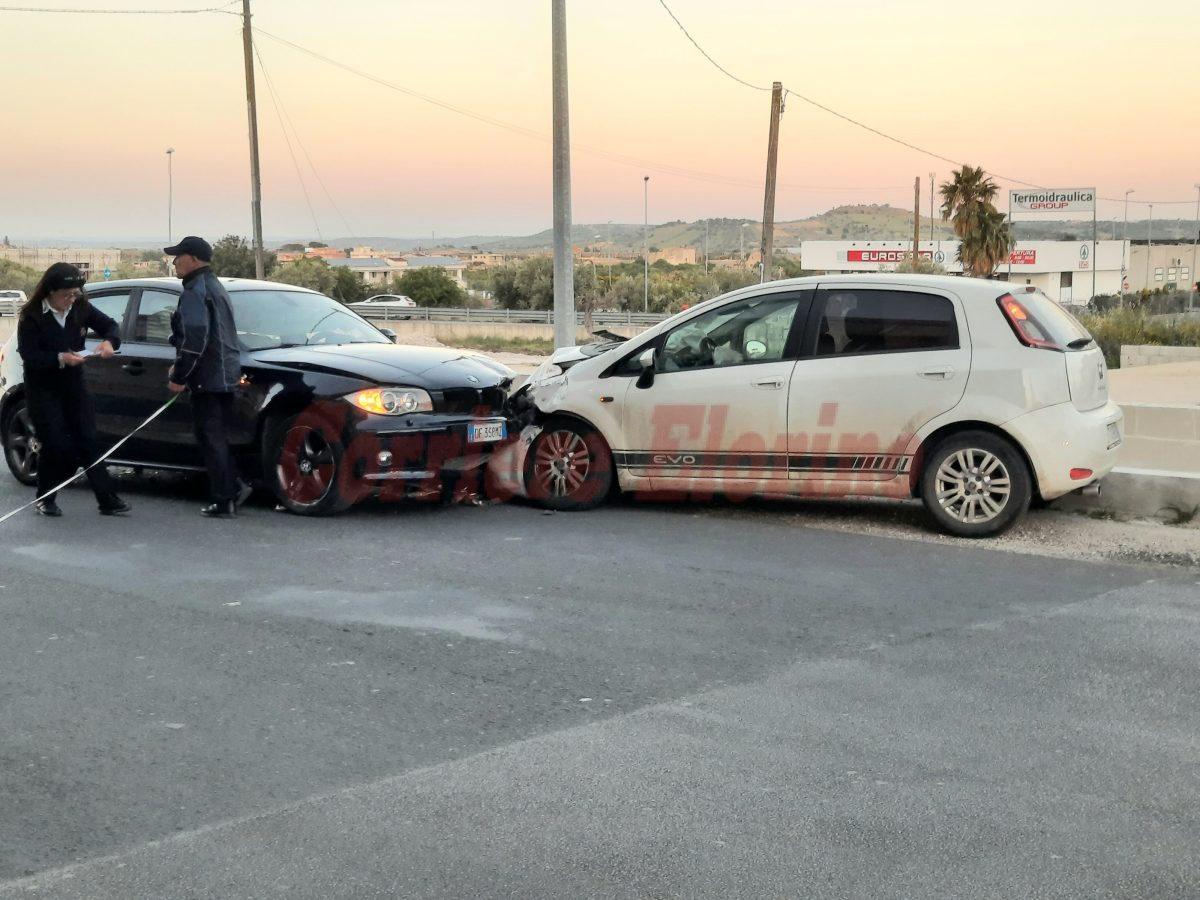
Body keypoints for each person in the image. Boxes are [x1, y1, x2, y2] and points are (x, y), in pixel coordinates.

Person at [16, 262, 131, 517]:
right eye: (65, 295)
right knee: (54, 443)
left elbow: (110, 325)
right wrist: (60, 358)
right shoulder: (31, 315)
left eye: (74, 294)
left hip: (74, 384)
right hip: (43, 387)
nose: (70, 300)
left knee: (89, 438)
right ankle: (45, 497)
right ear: (50, 291)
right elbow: (30, 355)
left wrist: (109, 342)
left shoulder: (80, 307)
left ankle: (107, 499)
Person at [164, 235, 248, 519]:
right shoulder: (216, 287)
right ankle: (233, 487)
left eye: (179, 256)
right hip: (225, 373)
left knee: (210, 437)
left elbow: (194, 338)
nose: (174, 261)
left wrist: (180, 373)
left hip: (208, 377)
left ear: (194, 259)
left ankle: (225, 499)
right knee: (216, 436)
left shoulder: (195, 290)